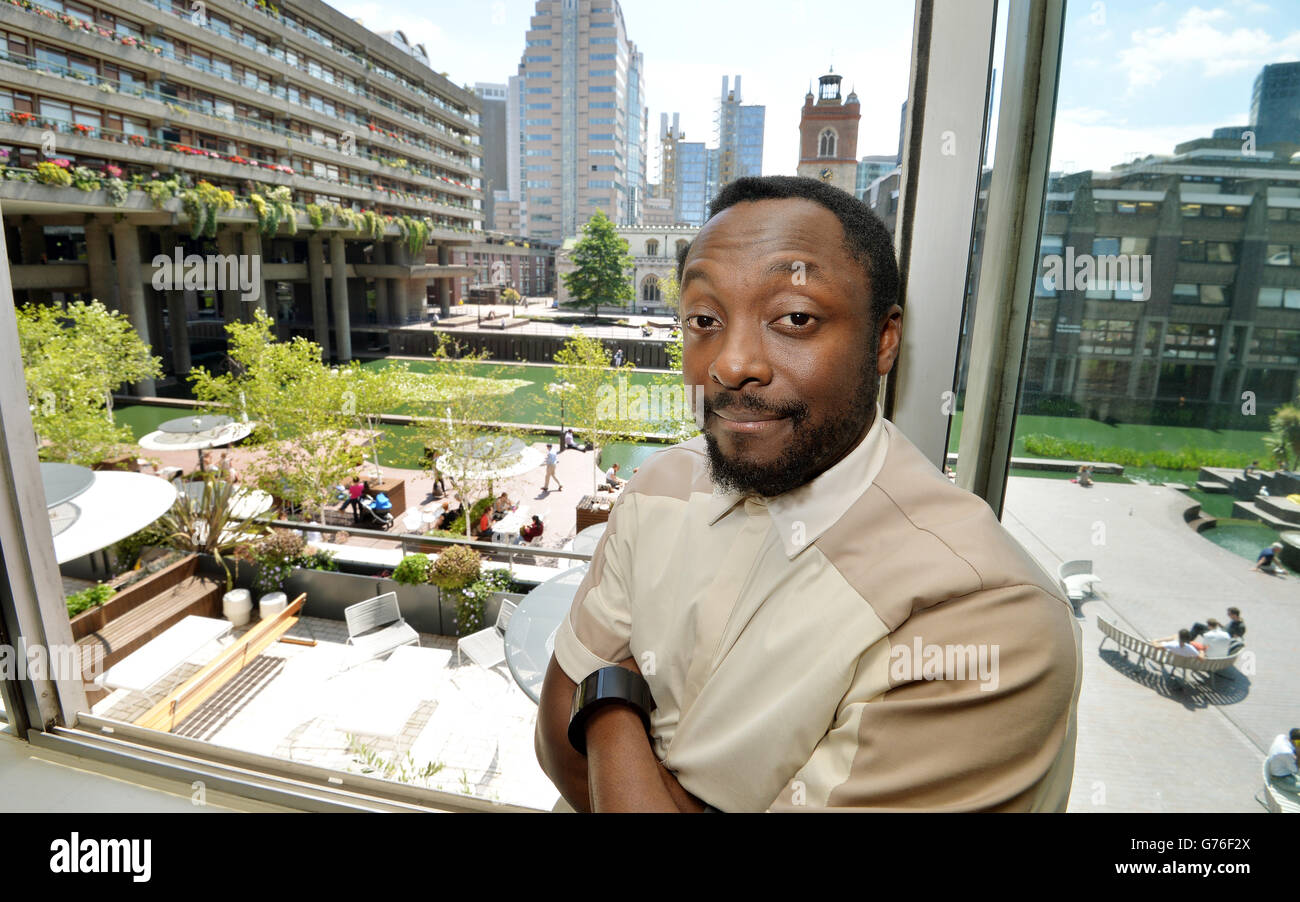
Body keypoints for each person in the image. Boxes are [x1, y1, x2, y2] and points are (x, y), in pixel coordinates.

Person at [535, 175, 1081, 813]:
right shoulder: (659, 486)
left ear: (883, 340)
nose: (732, 364)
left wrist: (607, 701)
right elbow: (554, 738)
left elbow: (578, 712)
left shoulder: (990, 616)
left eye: (795, 318)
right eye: (704, 320)